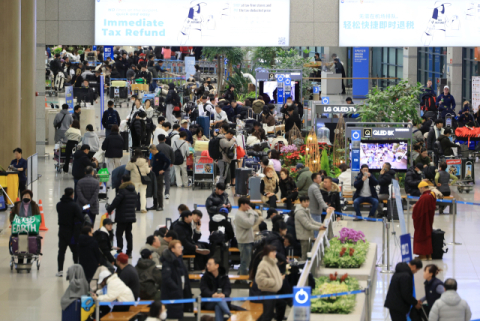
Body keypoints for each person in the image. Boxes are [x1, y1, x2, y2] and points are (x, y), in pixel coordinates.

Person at [160, 240, 193, 320]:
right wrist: (176, 288)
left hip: (180, 294)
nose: (181, 249)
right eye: (178, 247)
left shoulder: (179, 260)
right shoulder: (168, 262)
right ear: (172, 249)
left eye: (181, 247)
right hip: (172, 295)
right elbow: (166, 278)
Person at [106, 175, 137, 257]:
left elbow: (116, 202)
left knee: (119, 234)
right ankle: (129, 252)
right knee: (128, 234)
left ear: (122, 181)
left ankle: (120, 251)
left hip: (122, 216)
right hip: (131, 216)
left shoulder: (122, 191)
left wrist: (109, 209)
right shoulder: (134, 191)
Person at [56, 187, 84, 277]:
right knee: (75, 252)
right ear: (72, 195)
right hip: (72, 232)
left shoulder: (59, 205)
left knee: (61, 251)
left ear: (64, 193)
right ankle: (76, 270)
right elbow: (81, 217)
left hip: (62, 231)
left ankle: (60, 271)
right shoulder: (74, 205)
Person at [254, 245, 286, 321]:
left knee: (282, 304)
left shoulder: (273, 262)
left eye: (275, 251)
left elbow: (273, 275)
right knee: (267, 315)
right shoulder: (263, 264)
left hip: (273, 292)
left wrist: (280, 278)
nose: (275, 253)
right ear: (267, 253)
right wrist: (274, 282)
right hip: (267, 292)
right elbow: (259, 279)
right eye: (273, 252)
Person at [235, 197, 262, 275]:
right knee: (245, 262)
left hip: (248, 240)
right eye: (247, 204)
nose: (248, 206)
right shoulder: (239, 215)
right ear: (242, 205)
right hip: (244, 241)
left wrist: (251, 211)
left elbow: (256, 218)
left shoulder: (246, 212)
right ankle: (242, 279)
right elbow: (249, 223)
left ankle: (239, 278)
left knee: (246, 261)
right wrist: (251, 212)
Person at [295, 196, 327, 260]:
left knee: (308, 254)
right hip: (304, 237)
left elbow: (312, 221)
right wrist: (319, 228)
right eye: (305, 202)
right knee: (305, 256)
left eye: (308, 201)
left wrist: (322, 224)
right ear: (301, 202)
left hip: (308, 236)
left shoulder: (306, 210)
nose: (307, 203)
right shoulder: (300, 212)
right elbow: (307, 225)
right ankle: (302, 268)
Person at [413, 181, 437, 260]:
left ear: (422, 188)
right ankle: (428, 255)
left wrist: (415, 207)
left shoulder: (424, 197)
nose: (419, 191)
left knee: (421, 235)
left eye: (420, 189)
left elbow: (419, 210)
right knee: (428, 235)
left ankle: (422, 255)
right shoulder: (431, 194)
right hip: (428, 219)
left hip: (422, 220)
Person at [126, 148, 150, 213]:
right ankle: (143, 209)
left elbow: (127, 168)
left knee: (134, 194)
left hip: (134, 180)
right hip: (143, 180)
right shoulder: (145, 161)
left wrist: (130, 161)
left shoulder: (132, 161)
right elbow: (148, 171)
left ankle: (133, 208)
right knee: (143, 194)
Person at [148, 144, 170, 211]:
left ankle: (160, 205)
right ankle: (155, 205)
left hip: (159, 176)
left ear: (155, 149)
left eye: (151, 151)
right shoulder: (154, 155)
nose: (151, 152)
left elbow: (168, 161)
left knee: (159, 191)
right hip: (154, 174)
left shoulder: (161, 155)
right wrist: (152, 167)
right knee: (154, 190)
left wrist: (163, 169)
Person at [156, 134, 174, 199]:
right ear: (165, 139)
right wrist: (172, 162)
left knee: (158, 180)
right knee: (167, 180)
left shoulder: (156, 147)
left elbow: (152, 157)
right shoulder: (169, 147)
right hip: (166, 165)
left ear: (158, 140)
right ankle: (167, 193)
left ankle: (158, 193)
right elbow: (172, 156)